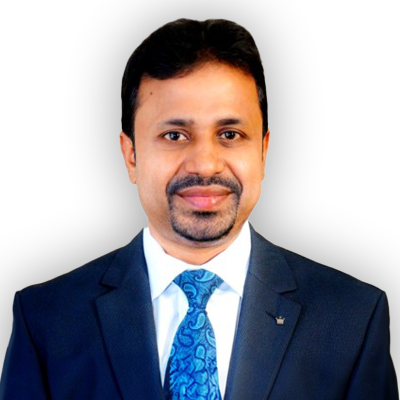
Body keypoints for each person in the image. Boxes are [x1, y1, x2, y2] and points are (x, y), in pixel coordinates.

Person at [0, 17, 398, 400]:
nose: (205, 165)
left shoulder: (353, 319)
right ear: (130, 155)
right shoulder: (46, 320)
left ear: (263, 151)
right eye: (175, 135)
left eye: (230, 134)